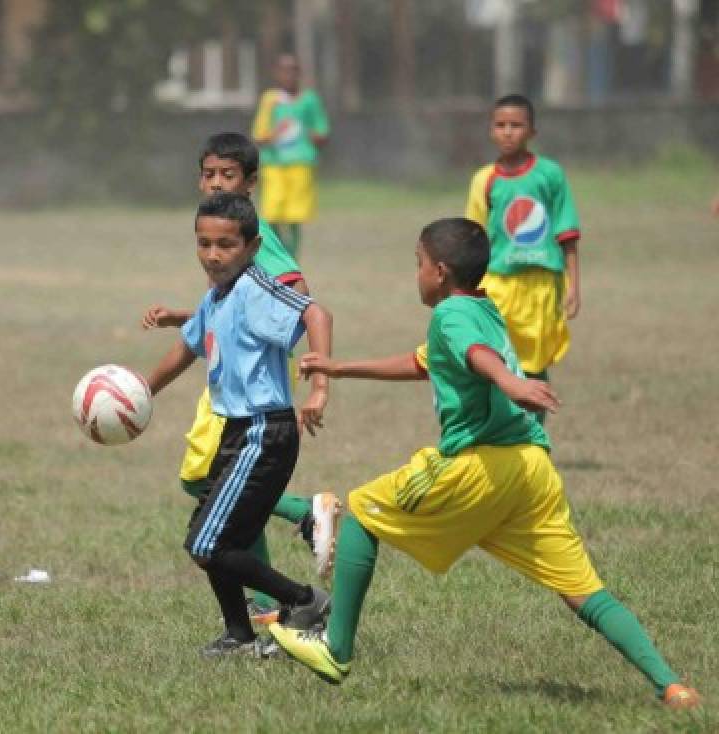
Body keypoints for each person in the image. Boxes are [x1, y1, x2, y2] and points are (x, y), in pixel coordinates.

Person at [269, 218, 701, 711]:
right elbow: (425, 362)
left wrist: (511, 383)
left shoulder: (451, 314)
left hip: (482, 466)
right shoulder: (483, 308)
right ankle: (670, 685)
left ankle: (334, 650)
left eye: (419, 263)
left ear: (441, 271)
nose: (416, 273)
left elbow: (478, 358)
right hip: (530, 469)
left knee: (364, 511)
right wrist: (338, 367)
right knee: (583, 590)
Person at [142, 132, 341, 625]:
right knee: (211, 512)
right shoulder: (220, 291)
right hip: (235, 415)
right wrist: (141, 390)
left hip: (260, 419)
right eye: (208, 174)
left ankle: (294, 591)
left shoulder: (255, 253)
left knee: (209, 530)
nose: (212, 253)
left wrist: (319, 379)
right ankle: (242, 628)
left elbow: (302, 303)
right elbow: (198, 336)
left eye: (226, 175)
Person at [464, 94, 580, 417]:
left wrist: (574, 284)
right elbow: (474, 238)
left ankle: (534, 438)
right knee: (494, 359)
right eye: (500, 125)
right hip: (498, 283)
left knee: (533, 363)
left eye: (516, 125)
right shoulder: (483, 180)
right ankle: (499, 434)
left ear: (532, 132)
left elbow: (567, 232)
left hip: (542, 284)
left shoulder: (550, 175)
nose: (508, 132)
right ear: (490, 131)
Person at [251, 53, 330, 258]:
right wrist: (276, 132)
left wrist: (316, 136)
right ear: (276, 73)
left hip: (300, 163)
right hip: (274, 164)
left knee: (296, 215)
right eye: (284, 70)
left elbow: (321, 132)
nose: (289, 75)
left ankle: (293, 258)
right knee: (272, 212)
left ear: (299, 73)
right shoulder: (270, 100)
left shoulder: (309, 100)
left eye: (293, 70)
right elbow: (258, 136)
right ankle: (279, 255)